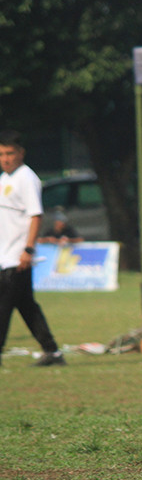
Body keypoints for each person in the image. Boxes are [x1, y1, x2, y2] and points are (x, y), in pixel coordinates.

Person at [0, 130, 65, 367]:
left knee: (3, 304)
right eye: (1, 154)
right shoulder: (5, 179)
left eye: (10, 153)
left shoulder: (26, 178)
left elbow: (35, 216)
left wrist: (28, 249)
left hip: (17, 255)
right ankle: (52, 352)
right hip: (4, 254)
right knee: (26, 305)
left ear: (21, 153)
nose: (5, 158)